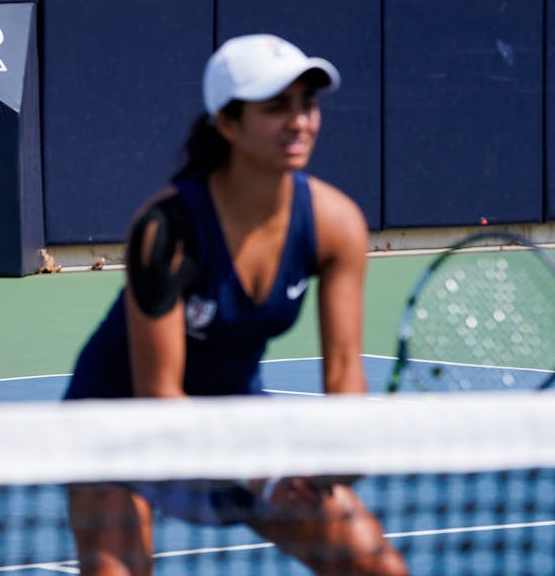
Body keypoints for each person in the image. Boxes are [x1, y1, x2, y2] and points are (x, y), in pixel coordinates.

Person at [62, 34, 409, 575]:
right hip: (118, 423)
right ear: (226, 123)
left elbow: (344, 370)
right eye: (276, 108)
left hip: (234, 414)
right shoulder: (168, 229)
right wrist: (261, 473)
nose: (299, 122)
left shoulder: (335, 224)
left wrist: (347, 447)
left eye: (307, 105)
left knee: (376, 565)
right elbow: (159, 396)